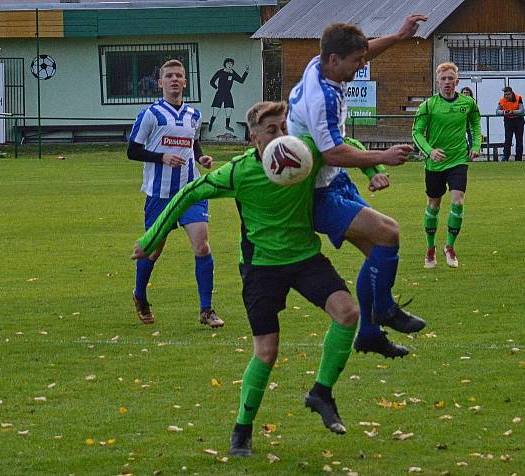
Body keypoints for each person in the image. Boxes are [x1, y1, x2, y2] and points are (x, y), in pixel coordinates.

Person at [132, 101, 361, 456]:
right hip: (261, 267)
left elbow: (347, 147)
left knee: (348, 313)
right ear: (253, 137)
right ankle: (242, 429)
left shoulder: (303, 151)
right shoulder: (240, 171)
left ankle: (321, 392)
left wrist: (378, 163)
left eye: (284, 127)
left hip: (305, 258)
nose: (281, 135)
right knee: (267, 352)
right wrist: (151, 239)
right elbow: (190, 192)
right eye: (272, 130)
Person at [287, 17, 428, 360]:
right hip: (317, 192)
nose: (362, 66)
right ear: (335, 61)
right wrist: (384, 156)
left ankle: (368, 333)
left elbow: (364, 52)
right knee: (388, 233)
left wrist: (396, 37)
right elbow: (332, 151)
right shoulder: (321, 100)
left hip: (334, 180)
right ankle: (383, 311)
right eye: (356, 62)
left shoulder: (319, 63)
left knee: (377, 254)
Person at [127, 59, 223, 329]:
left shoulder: (194, 114)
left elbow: (193, 143)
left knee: (202, 246)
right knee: (153, 252)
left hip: (191, 191)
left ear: (185, 82)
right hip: (160, 194)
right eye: (168, 76)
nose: (174, 80)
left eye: (178, 76)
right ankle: (140, 295)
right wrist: (162, 157)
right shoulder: (150, 114)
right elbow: (132, 151)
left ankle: (206, 310)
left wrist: (201, 158)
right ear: (160, 83)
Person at [412, 63, 481, 269]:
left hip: (458, 160)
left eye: (451, 79)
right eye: (444, 79)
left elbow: (476, 124)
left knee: (458, 202)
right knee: (433, 206)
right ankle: (430, 249)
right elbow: (416, 132)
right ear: (438, 81)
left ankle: (450, 247)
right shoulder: (428, 105)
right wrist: (430, 151)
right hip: (434, 164)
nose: (447, 83)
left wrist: (476, 144)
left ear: (457, 81)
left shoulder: (468, 103)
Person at [208, 58, 249, 133]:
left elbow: (241, 80)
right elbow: (212, 81)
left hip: (228, 94)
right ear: (225, 64)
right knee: (215, 111)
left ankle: (227, 125)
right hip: (219, 93)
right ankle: (211, 123)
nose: (230, 65)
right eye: (228, 63)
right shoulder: (220, 72)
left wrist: (246, 72)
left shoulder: (232, 73)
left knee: (229, 110)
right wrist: (216, 87)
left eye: (231, 64)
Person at [497, 86, 525, 161]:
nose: (507, 96)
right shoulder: (502, 100)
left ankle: (518, 158)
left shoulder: (518, 98)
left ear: (512, 93)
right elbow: (497, 111)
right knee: (508, 139)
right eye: (505, 94)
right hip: (508, 121)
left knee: (519, 140)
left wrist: (512, 112)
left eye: (508, 94)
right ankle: (505, 157)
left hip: (518, 120)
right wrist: (504, 112)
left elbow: (522, 110)